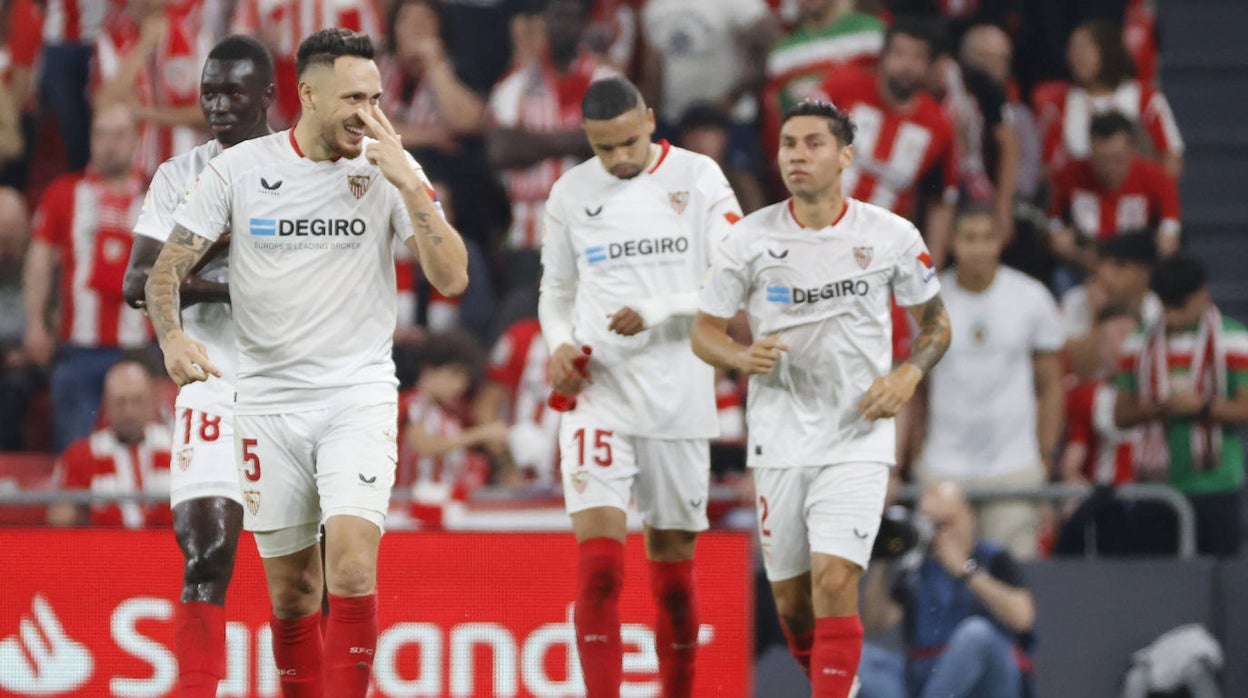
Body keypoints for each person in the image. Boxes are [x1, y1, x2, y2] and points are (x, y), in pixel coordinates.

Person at [143, 28, 468, 696]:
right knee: (293, 595)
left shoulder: (387, 172)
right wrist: (173, 338)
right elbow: (161, 274)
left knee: (349, 567)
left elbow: (453, 277)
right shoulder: (239, 171)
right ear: (308, 94)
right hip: (264, 403)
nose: (367, 113)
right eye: (353, 97)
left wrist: (410, 184)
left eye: (376, 97)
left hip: (358, 397)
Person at [692, 99, 951, 697]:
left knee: (834, 580)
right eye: (788, 144)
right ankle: (845, 687)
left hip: (856, 435)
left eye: (813, 144)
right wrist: (737, 356)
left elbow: (936, 326)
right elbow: (703, 332)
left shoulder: (890, 236)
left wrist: (909, 375)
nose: (797, 155)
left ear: (845, 157)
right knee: (793, 603)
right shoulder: (748, 239)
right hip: (779, 436)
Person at [539, 75, 742, 698]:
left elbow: (734, 278)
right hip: (600, 395)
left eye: (629, 142)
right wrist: (559, 347)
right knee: (599, 568)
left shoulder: (699, 177)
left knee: (674, 580)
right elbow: (557, 294)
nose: (621, 158)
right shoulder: (570, 193)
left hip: (678, 398)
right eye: (605, 149)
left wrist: (658, 310)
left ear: (651, 119)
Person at [119, 34, 275, 697]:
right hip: (207, 375)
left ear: (268, 95)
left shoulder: (301, 168)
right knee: (206, 553)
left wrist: (189, 268)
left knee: (312, 570)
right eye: (209, 91)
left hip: (291, 384)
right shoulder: (178, 175)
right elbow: (136, 280)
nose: (216, 104)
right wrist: (236, 280)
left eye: (232, 92)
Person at [914, 209, 1063, 561]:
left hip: (1014, 466)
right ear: (953, 243)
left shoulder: (1031, 297)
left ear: (1000, 242)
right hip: (943, 464)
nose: (978, 248)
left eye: (987, 238)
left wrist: (1044, 455)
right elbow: (914, 386)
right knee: (940, 572)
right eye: (969, 238)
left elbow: (1052, 385)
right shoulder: (927, 303)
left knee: (1011, 576)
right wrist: (917, 452)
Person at [22, 102, 149, 453]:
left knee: (153, 452)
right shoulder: (63, 193)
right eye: (101, 134)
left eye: (119, 134)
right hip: (79, 348)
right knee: (76, 452)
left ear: (137, 140)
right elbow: (39, 261)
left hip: (143, 348)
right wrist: (35, 322)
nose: (110, 144)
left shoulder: (161, 195)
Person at [1115, 255, 1248, 556]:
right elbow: (1120, 416)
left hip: (1215, 484)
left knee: (1218, 582)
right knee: (1158, 582)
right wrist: (1157, 407)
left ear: (1203, 295)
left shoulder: (1235, 339)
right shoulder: (1137, 343)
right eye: (1166, 306)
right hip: (1157, 486)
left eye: (1180, 306)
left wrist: (1200, 406)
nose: (1172, 316)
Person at [860, 481, 1036, 697]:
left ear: (969, 518)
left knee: (976, 634)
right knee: (857, 656)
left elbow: (1022, 618)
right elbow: (875, 623)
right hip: (925, 674)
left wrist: (965, 570)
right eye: (929, 524)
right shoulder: (916, 565)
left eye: (944, 523)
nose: (936, 533)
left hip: (988, 680)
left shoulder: (991, 556)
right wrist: (885, 555)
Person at [488, 0, 610, 290]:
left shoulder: (606, 82)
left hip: (595, 233)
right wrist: (578, 138)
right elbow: (500, 150)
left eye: (572, 17)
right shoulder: (514, 86)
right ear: (544, 21)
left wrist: (531, 141)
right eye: (557, 16)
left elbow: (615, 144)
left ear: (584, 23)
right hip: (527, 237)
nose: (563, 25)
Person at [819, 17, 958, 268]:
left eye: (918, 57)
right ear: (883, 56)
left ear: (930, 66)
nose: (907, 65)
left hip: (882, 256)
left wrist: (930, 269)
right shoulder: (843, 88)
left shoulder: (939, 127)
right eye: (900, 54)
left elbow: (940, 202)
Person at [1032, 18, 1183, 178]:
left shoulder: (1145, 98)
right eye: (1072, 49)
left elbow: (1171, 159)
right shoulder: (1058, 103)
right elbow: (1046, 166)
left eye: (1085, 48)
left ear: (1108, 50)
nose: (1077, 57)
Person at [1048, 111, 1181, 275]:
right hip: (1084, 265)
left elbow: (1170, 235)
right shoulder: (1068, 176)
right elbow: (1055, 227)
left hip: (1136, 269)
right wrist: (1075, 253)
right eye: (1101, 159)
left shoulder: (1158, 179)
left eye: (1117, 158)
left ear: (1132, 149)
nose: (1109, 168)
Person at [46, 359, 173, 529]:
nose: (129, 412)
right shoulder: (81, 455)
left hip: (169, 551)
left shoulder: (177, 448)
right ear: (106, 404)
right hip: (104, 551)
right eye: (121, 402)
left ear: (151, 401)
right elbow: (59, 521)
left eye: (137, 401)